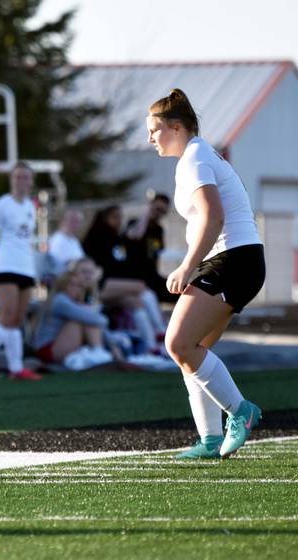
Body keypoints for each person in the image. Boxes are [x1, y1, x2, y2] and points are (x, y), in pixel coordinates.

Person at [147, 89, 265, 459]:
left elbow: (213, 217)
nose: (150, 138)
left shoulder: (194, 158)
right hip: (241, 260)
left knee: (178, 343)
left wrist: (186, 266)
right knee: (194, 351)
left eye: (154, 130)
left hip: (231, 260)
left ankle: (240, 412)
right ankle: (210, 438)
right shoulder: (201, 154)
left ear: (177, 127)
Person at [0, 163, 43, 382]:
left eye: (25, 177)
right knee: (6, 315)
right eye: (17, 177)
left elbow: (28, 239)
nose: (21, 181)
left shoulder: (31, 206)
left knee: (18, 318)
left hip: (25, 267)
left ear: (31, 181)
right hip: (6, 265)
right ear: (12, 179)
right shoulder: (2, 205)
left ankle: (16, 367)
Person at [82, 205, 167, 351]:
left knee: (136, 302)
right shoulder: (97, 236)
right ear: (104, 217)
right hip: (98, 286)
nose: (119, 220)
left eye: (120, 217)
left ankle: (152, 347)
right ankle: (160, 330)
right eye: (115, 216)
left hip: (113, 288)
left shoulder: (117, 237)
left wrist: (146, 212)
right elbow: (95, 267)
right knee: (140, 286)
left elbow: (136, 233)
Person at [32, 268, 113, 367]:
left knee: (86, 316)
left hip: (56, 346)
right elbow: (99, 320)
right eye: (71, 285)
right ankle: (98, 351)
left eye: (79, 286)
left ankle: (98, 351)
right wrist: (103, 318)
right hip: (47, 350)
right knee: (79, 321)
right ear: (62, 285)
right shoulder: (60, 299)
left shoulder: (71, 301)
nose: (75, 289)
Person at [125, 192, 178, 303]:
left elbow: (158, 250)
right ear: (150, 206)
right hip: (133, 276)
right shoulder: (135, 223)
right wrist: (147, 212)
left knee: (179, 291)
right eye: (157, 208)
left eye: (163, 211)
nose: (159, 213)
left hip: (152, 276)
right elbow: (136, 235)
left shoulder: (158, 229)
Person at [47, 208, 85, 277]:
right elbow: (57, 265)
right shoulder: (58, 240)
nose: (75, 224)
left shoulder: (74, 240)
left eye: (78, 221)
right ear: (63, 220)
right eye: (73, 220)